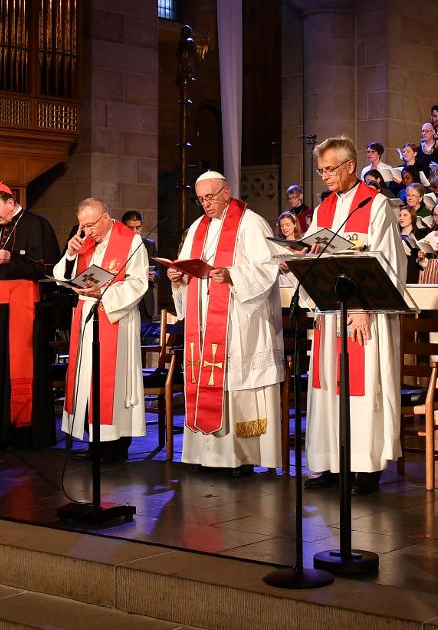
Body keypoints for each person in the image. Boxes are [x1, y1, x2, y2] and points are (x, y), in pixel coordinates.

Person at [304, 137, 408, 496]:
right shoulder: (322, 210)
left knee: (363, 389)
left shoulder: (375, 204)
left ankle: (365, 467)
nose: (325, 177)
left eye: (330, 169)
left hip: (364, 316)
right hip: (331, 314)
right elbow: (316, 257)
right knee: (329, 386)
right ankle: (332, 464)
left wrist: (364, 306)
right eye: (321, 171)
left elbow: (388, 260)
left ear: (350, 166)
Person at [168, 172, 284, 475]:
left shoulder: (251, 223)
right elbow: (186, 265)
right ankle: (208, 456)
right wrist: (177, 278)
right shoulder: (197, 228)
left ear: (227, 192)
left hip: (239, 321)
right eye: (201, 199)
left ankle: (241, 457)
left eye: (210, 197)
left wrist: (232, 275)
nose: (206, 204)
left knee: (236, 385)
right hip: (204, 322)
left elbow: (267, 269)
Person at [0, 183, 60, 449]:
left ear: (10, 201)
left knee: (18, 365)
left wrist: (11, 259)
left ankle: (22, 431)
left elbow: (49, 266)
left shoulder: (36, 224)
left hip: (20, 307)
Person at [55, 197, 149, 463]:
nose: (88, 231)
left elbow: (139, 282)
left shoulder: (131, 241)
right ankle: (94, 443)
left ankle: (115, 448)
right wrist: (71, 254)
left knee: (110, 382)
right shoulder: (84, 243)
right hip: (86, 315)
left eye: (91, 225)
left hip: (115, 318)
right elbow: (62, 277)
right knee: (87, 380)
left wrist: (105, 293)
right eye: (83, 226)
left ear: (106, 218)